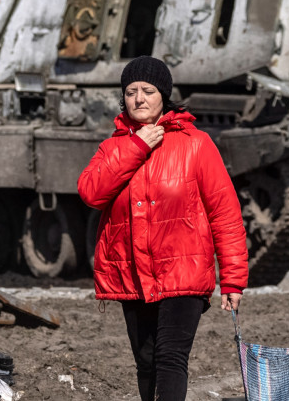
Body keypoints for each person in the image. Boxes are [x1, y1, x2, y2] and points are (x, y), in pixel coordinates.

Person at [78, 56, 248, 401]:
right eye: (130, 92)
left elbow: (225, 213)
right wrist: (137, 146)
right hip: (133, 273)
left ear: (163, 96)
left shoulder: (195, 144)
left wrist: (232, 278)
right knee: (146, 363)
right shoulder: (113, 147)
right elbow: (91, 193)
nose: (139, 99)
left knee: (170, 359)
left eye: (148, 91)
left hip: (183, 273)